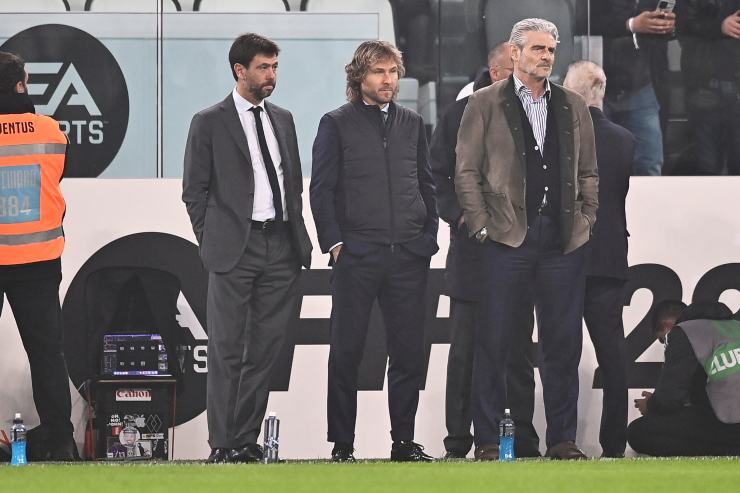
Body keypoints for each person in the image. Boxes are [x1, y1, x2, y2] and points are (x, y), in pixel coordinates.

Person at [456, 18, 598, 460]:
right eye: (538, 48)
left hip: (561, 240)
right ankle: (487, 440)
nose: (546, 57)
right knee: (494, 342)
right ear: (514, 53)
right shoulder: (483, 102)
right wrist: (482, 226)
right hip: (504, 239)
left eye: (551, 49)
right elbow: (466, 172)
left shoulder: (573, 104)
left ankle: (563, 440)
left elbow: (589, 172)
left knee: (562, 345)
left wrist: (585, 220)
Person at [182, 33, 312, 464]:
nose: (271, 75)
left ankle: (246, 440)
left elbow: (292, 184)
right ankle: (222, 444)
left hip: (281, 246)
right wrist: (211, 237)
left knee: (264, 350)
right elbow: (194, 190)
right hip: (234, 249)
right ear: (240, 70)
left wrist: (296, 237)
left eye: (275, 67)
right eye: (263, 67)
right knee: (226, 348)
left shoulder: (284, 119)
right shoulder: (209, 121)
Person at [310, 40, 439, 462]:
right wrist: (336, 245)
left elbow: (426, 184)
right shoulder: (335, 123)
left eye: (393, 72)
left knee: (407, 354)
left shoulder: (412, 123)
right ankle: (342, 445)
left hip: (409, 256)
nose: (388, 80)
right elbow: (321, 190)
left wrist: (427, 238)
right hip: (357, 256)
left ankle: (404, 442)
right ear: (359, 76)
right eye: (379, 71)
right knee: (346, 352)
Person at [430, 43, 540, 459]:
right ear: (496, 73)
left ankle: (521, 439)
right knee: (465, 352)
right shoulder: (459, 115)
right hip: (473, 255)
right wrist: (461, 216)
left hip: (521, 253)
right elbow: (436, 175)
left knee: (518, 351)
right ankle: (460, 441)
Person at [0, 51, 76, 461]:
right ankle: (61, 443)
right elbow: (58, 173)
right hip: (38, 260)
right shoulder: (49, 130)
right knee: (47, 354)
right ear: (19, 85)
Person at [564, 60, 634, 458]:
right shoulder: (625, 140)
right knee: (613, 355)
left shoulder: (562, 138)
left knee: (563, 352)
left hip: (566, 259)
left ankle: (564, 439)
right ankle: (614, 444)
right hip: (609, 258)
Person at [628, 301, 740, 456]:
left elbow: (669, 399)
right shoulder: (735, 326)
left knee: (638, 432)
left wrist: (651, 405)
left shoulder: (684, 331)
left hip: (729, 425)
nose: (665, 345)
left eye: (663, 340)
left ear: (668, 325)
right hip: (727, 419)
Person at [591, 0, 676, 176]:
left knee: (650, 162)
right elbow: (583, 20)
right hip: (597, 83)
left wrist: (667, 26)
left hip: (641, 82)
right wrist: (631, 24)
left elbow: (681, 21)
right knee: (598, 163)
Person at [678, 1, 740, 175]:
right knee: (707, 166)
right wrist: (719, 26)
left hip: (730, 83)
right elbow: (682, 25)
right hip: (704, 85)